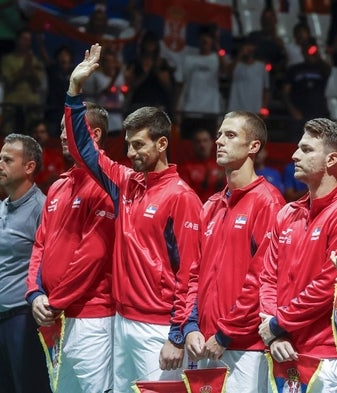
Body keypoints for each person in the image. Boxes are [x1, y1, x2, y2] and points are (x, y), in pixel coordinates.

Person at [65, 44, 202, 391]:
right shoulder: (125, 183)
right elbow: (86, 152)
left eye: (139, 145)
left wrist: (176, 334)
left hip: (158, 330)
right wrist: (75, 90)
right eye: (128, 144)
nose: (130, 153)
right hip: (121, 322)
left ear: (161, 144)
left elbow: (191, 272)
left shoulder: (181, 197)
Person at [162, 110, 285, 392]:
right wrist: (190, 326)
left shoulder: (268, 203)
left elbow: (262, 281)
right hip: (205, 343)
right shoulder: (211, 205)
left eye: (230, 135)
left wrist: (225, 335)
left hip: (246, 348)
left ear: (254, 146)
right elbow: (192, 273)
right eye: (219, 134)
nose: (219, 141)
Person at [258, 118, 337, 392]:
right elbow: (267, 277)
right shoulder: (286, 212)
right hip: (281, 349)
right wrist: (273, 332)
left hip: (327, 353)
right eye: (298, 148)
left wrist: (278, 323)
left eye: (307, 150)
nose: (295, 155)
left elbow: (328, 286)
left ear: (332, 159)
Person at [25, 104, 116, 393]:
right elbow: (40, 244)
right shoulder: (58, 186)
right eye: (62, 128)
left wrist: (55, 302)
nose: (62, 135)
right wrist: (35, 292)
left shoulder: (106, 185)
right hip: (55, 315)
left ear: (95, 134)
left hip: (91, 318)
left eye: (69, 128)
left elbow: (93, 256)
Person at [0, 133, 50, 393]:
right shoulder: (2, 205)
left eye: (7, 159)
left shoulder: (42, 209)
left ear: (29, 167)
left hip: (23, 321)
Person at [0, 28, 46, 134]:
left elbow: (38, 83)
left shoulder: (35, 60)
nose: (27, 42)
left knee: (31, 136)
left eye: (28, 39)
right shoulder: (7, 59)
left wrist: (31, 68)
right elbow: (9, 82)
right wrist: (25, 68)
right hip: (12, 104)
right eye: (24, 39)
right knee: (10, 136)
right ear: (17, 40)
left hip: (31, 105)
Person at [283, 43, 331, 141]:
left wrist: (318, 57)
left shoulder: (322, 68)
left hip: (319, 113)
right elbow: (285, 92)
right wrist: (292, 110)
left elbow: (329, 70)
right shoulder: (294, 69)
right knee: (296, 144)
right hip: (299, 114)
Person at [178, 127, 225, 203]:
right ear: (193, 144)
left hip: (217, 210)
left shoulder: (221, 165)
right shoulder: (186, 168)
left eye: (205, 140)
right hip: (196, 208)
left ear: (211, 142)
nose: (202, 145)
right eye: (198, 141)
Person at [227, 39, 269, 114]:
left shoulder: (261, 66)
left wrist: (263, 106)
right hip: (236, 108)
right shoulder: (236, 65)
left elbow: (265, 89)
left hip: (255, 109)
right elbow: (227, 72)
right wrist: (239, 55)